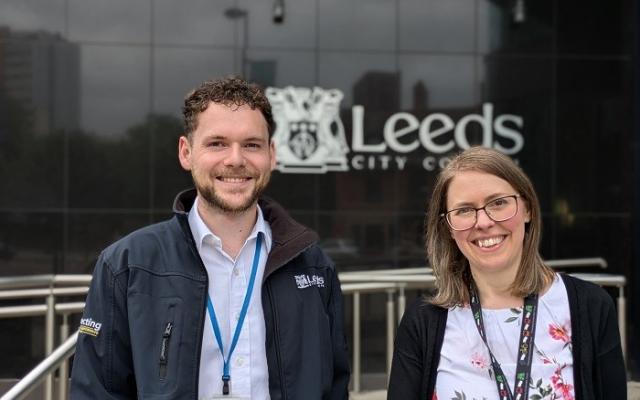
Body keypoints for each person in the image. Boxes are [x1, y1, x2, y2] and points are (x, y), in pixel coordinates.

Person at [70, 76, 350, 400]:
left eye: (251, 144)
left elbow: (334, 387)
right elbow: (97, 391)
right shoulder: (127, 265)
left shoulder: (314, 267)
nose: (235, 159)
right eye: (217, 143)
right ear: (186, 152)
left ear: (271, 155)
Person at [388, 147, 626, 400]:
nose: (483, 222)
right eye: (464, 210)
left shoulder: (590, 307)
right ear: (447, 227)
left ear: (528, 209)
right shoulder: (423, 322)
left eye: (498, 203)